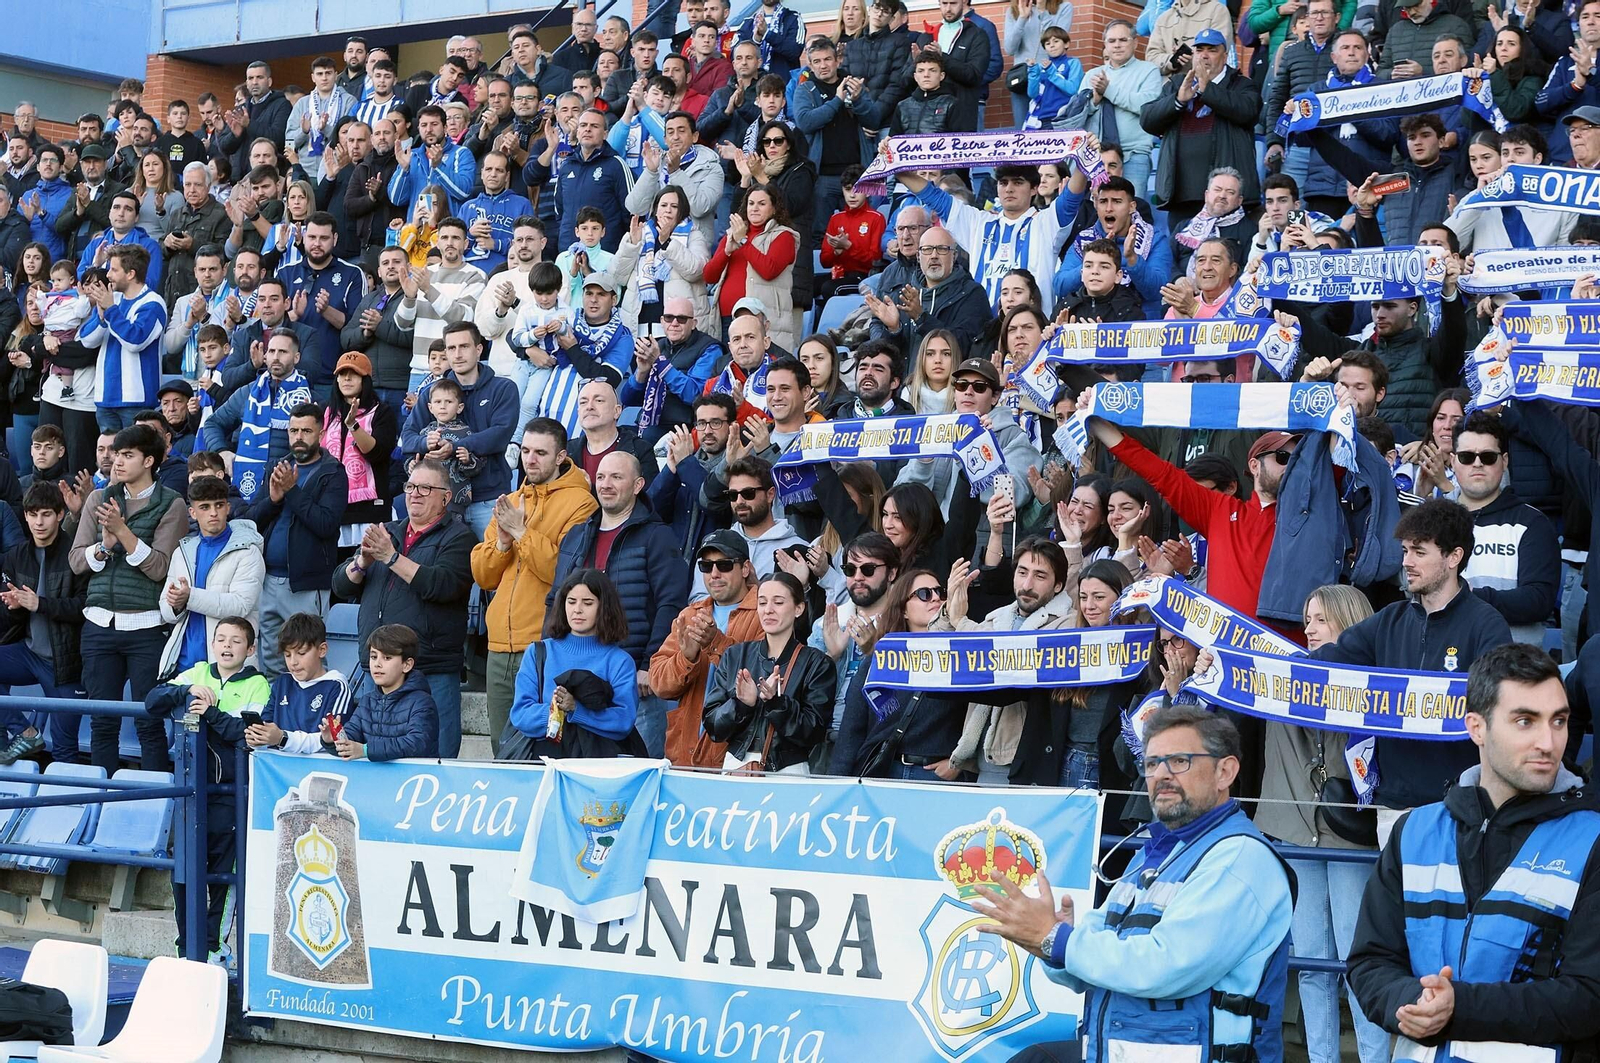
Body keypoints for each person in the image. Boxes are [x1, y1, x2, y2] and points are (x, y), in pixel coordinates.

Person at [980, 703, 1294, 1063]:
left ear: (1225, 772)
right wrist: (1047, 943)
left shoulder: (1240, 858)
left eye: (1179, 761)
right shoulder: (1155, 851)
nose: (1161, 774)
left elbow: (1164, 966)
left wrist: (1058, 940)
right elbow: (1092, 955)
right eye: (1151, 763)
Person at [1347, 642, 1600, 1059]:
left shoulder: (1591, 839)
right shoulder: (1415, 831)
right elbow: (1370, 961)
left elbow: (1589, 995)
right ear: (1476, 728)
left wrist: (1456, 1007)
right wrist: (1410, 1001)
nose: (1548, 742)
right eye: (1525, 721)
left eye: (1559, 721)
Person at [1253, 583, 1389, 1063]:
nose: (1307, 628)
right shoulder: (1277, 675)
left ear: (1349, 621)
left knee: (1360, 964)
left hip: (1349, 837)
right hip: (1293, 833)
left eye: (1319, 618)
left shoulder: (1375, 681)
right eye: (1306, 618)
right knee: (1311, 965)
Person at [143, 616, 270, 961]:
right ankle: (186, 948)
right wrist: (185, 692)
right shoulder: (197, 672)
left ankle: (215, 947)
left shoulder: (259, 685)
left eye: (237, 641)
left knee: (222, 876)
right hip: (191, 792)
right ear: (213, 644)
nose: (227, 646)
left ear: (251, 648)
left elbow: (244, 734)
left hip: (230, 794)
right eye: (221, 639)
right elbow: (151, 701)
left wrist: (210, 713)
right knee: (183, 873)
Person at [549, 450, 690, 758]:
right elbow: (556, 600)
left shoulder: (657, 536)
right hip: (576, 678)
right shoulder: (577, 535)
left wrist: (649, 664)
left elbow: (671, 605)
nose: (606, 484)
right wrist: (547, 659)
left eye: (616, 477)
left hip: (634, 681)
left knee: (637, 770)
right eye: (600, 477)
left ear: (638, 485)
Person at [471, 418, 599, 752]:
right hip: (499, 645)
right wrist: (501, 543)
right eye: (526, 450)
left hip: (545, 646)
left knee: (543, 747)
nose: (530, 459)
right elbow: (483, 576)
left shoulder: (581, 503)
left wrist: (521, 533)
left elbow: (562, 573)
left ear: (560, 457)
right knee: (503, 750)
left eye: (541, 452)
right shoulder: (511, 500)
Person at [333, 458, 472, 757]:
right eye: (410, 486)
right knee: (374, 760)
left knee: (437, 760)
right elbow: (340, 585)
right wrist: (362, 563)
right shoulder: (389, 531)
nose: (415, 494)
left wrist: (391, 558)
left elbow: (442, 585)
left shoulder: (460, 536)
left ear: (445, 497)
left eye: (425, 488)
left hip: (431, 669)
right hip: (378, 671)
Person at [69, 423, 188, 772]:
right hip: (98, 625)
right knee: (101, 722)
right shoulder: (98, 498)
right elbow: (76, 561)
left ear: (149, 460)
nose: (116, 461)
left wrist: (122, 531)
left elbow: (159, 567)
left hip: (147, 627)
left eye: (127, 455)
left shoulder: (173, 503)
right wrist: (105, 546)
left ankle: (151, 807)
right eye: (115, 454)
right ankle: (103, 800)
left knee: (148, 722)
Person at [236, 402, 347, 678]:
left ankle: (310, 720)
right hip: (267, 580)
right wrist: (274, 500)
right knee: (272, 664)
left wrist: (292, 491)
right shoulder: (278, 465)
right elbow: (253, 521)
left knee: (308, 662)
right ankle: (277, 719)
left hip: (306, 586)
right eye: (293, 430)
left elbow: (325, 524)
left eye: (306, 431)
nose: (298, 436)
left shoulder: (333, 472)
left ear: (321, 434)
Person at [651, 529, 765, 767]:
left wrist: (716, 643)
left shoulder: (765, 612)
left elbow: (763, 679)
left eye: (723, 565)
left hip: (738, 758)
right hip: (685, 753)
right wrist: (687, 657)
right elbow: (659, 683)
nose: (714, 574)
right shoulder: (690, 614)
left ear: (745, 569)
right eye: (706, 566)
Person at [704, 571, 834, 773]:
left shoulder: (817, 663)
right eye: (762, 603)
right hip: (736, 766)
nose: (768, 610)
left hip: (789, 771)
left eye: (779, 602)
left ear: (799, 608)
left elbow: (814, 731)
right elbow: (713, 726)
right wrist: (741, 705)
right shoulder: (735, 655)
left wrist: (776, 702)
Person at [400, 321, 518, 539]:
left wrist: (454, 447)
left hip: (489, 499)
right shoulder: (432, 393)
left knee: (493, 569)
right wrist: (426, 444)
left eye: (464, 346)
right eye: (451, 348)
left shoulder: (503, 388)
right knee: (447, 570)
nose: (457, 354)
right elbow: (407, 437)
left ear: (479, 349)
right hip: (443, 502)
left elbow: (500, 435)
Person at [506, 568, 641, 758]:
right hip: (543, 763)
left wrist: (576, 709)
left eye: (588, 603)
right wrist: (558, 710)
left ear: (604, 608)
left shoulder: (619, 661)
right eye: (571, 601)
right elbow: (520, 714)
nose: (577, 609)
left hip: (597, 765)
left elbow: (623, 722)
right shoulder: (538, 652)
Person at [1141, 29, 1263, 238]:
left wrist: (1208, 90)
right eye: (1199, 50)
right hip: (1181, 194)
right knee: (1182, 257)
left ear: (1225, 56)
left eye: (1212, 50)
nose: (1204, 55)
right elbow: (1147, 119)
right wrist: (1178, 100)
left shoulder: (1242, 85)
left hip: (1225, 197)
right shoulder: (1177, 84)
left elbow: (1247, 112)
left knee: (1224, 255)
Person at [0, 482, 88, 764]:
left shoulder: (76, 552)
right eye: (33, 514)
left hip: (68, 664)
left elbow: (86, 607)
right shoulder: (16, 556)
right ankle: (23, 731)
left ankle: (69, 806)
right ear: (24, 516)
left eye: (46, 514)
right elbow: (12, 617)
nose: (39, 522)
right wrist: (15, 608)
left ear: (60, 515)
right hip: (28, 653)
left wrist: (40, 604)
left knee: (64, 750)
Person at [156, 474, 265, 679]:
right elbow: (166, 611)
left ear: (228, 508)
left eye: (219, 505)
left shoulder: (248, 551)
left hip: (229, 669)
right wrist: (176, 603)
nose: (213, 513)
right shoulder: (183, 551)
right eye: (205, 507)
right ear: (193, 512)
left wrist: (188, 597)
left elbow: (240, 606)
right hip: (184, 666)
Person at [78, 242, 166, 433]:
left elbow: (135, 341)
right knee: (109, 459)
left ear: (131, 274)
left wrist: (110, 311)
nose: (108, 275)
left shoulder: (153, 303)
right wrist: (101, 318)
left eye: (114, 270)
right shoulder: (112, 298)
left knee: (136, 457)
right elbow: (86, 340)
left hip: (136, 401)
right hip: (104, 398)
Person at [245, 612, 353, 755]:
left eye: (301, 653)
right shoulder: (283, 682)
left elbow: (334, 740)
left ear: (322, 650)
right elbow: (267, 726)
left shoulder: (337, 687)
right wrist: (258, 738)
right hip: (279, 770)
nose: (293, 662)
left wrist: (283, 739)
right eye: (287, 655)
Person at [322, 352, 399, 547]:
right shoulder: (325, 411)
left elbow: (377, 453)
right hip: (331, 507)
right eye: (342, 374)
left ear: (365, 379)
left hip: (369, 511)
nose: (346, 378)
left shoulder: (382, 412)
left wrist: (353, 426)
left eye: (353, 374)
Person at [335, 623, 440, 761]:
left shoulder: (422, 702)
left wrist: (366, 750)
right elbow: (351, 738)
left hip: (412, 780)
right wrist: (333, 738)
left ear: (407, 665)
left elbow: (417, 743)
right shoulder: (367, 701)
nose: (377, 664)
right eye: (373, 657)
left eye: (387, 658)